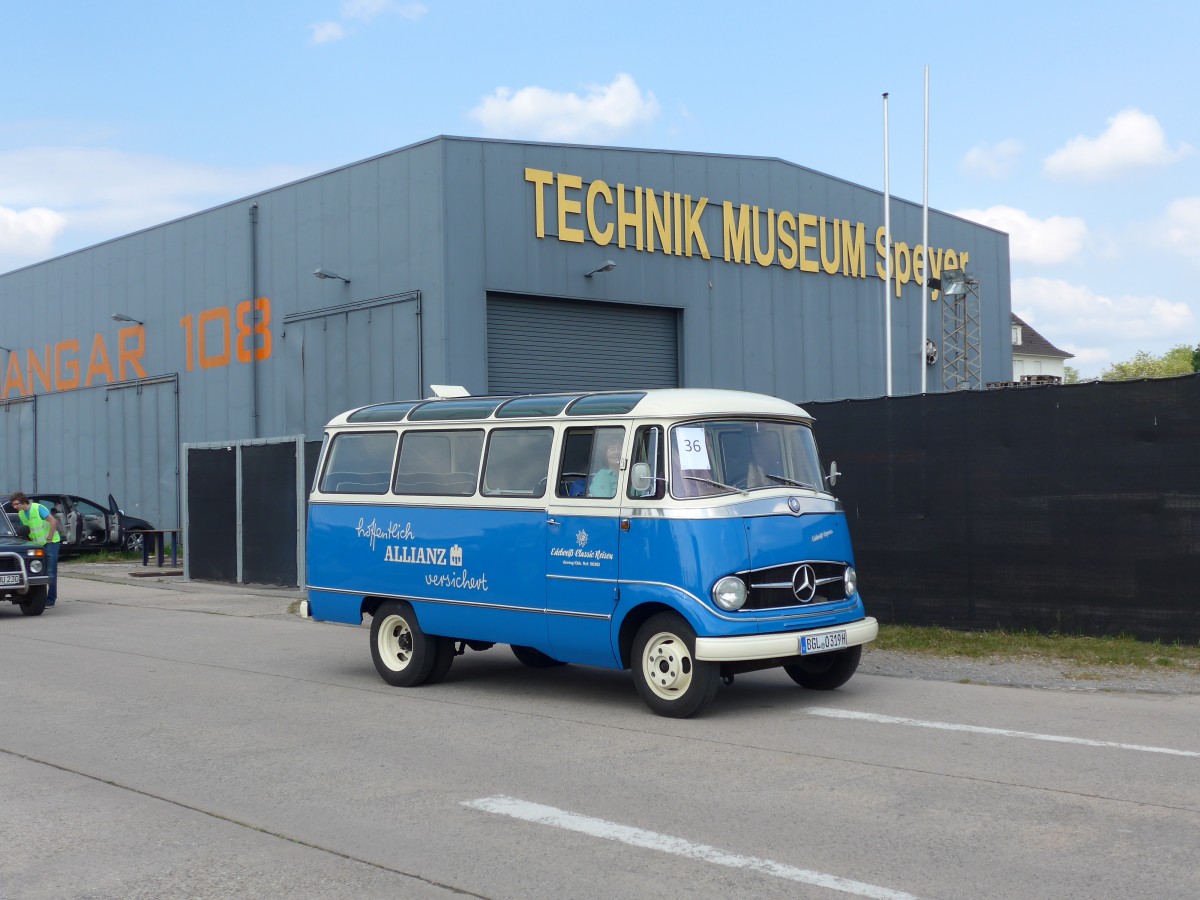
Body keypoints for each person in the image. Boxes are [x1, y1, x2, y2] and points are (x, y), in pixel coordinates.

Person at [11, 492, 62, 607]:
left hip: (51, 543)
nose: (15, 507)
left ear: (23, 502)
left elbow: (53, 521)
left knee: (51, 571)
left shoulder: (38, 508)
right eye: (13, 505)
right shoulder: (21, 514)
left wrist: (49, 538)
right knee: (37, 571)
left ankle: (51, 599)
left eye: (16, 504)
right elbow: (26, 530)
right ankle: (38, 597)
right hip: (37, 545)